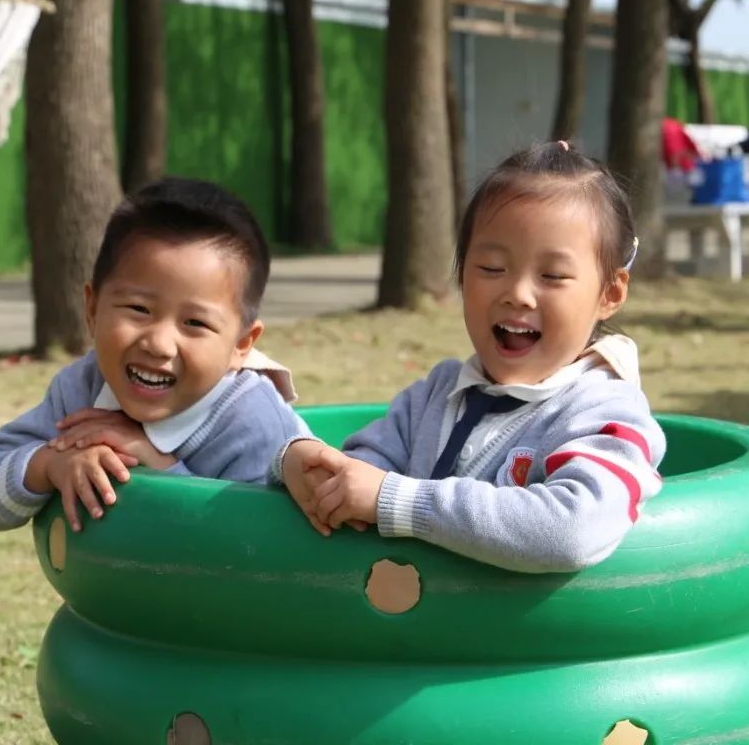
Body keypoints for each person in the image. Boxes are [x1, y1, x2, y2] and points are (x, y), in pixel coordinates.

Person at [279, 142, 666, 573]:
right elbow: (362, 475)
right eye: (492, 268)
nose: (517, 294)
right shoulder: (436, 396)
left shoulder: (606, 412)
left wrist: (400, 501)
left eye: (552, 275)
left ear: (610, 293)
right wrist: (306, 465)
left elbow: (573, 529)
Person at [0, 178, 308, 533]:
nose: (159, 344)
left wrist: (159, 466)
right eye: (139, 309)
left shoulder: (252, 422)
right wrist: (46, 464)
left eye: (195, 323)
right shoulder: (82, 389)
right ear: (92, 310)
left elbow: (257, 544)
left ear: (241, 345)